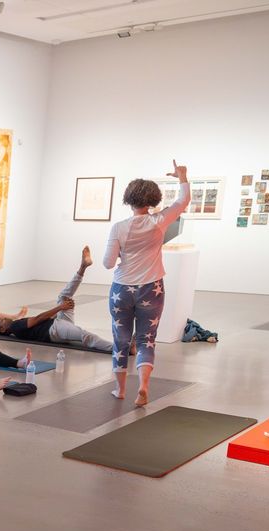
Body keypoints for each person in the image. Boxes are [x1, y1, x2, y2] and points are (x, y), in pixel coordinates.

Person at [104, 160, 191, 406]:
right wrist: (182, 176)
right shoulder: (159, 221)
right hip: (151, 287)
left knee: (121, 338)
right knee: (146, 339)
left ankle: (120, 390)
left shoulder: (119, 228)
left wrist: (122, 254)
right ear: (152, 200)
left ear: (128, 199)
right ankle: (142, 387)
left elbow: (108, 263)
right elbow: (182, 202)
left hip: (122, 288)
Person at [0, 247, 112, 353]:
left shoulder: (16, 327)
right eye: (1, 321)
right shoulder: (15, 326)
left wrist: (59, 312)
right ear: (3, 329)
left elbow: (40, 322)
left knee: (63, 297)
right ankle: (117, 349)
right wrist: (60, 308)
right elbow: (39, 318)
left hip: (57, 323)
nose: (3, 318)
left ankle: (83, 267)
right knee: (85, 335)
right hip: (55, 331)